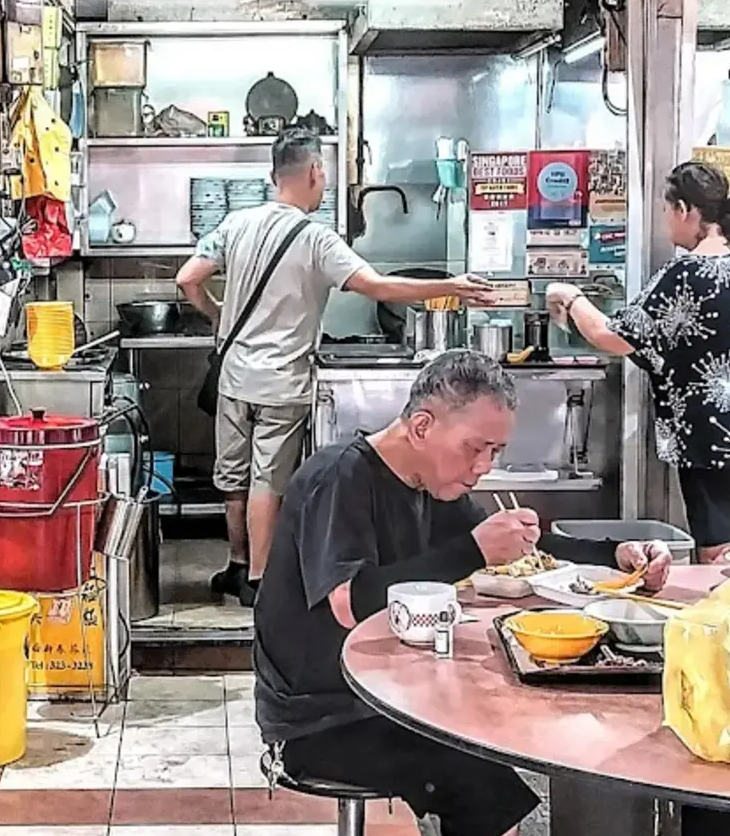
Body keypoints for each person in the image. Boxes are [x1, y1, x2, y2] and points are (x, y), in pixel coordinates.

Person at [253, 350, 671, 836]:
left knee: (497, 770)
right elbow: (349, 603)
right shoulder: (341, 478)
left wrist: (616, 555)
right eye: (474, 448)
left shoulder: (434, 485)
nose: (483, 467)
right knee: (486, 800)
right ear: (422, 425)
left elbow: (525, 548)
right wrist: (474, 550)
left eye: (495, 451)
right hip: (321, 721)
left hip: (388, 696)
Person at [177, 128, 494, 606]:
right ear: (313, 171)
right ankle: (259, 583)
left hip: (233, 376)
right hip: (281, 383)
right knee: (268, 480)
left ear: (272, 175)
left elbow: (188, 279)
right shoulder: (315, 238)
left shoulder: (236, 223)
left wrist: (218, 315)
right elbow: (377, 287)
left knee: (233, 475)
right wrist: (450, 285)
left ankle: (236, 565)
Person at [547, 161, 730, 564]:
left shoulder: (684, 274)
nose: (667, 223)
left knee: (717, 549)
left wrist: (570, 295)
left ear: (686, 210)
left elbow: (611, 336)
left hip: (711, 435)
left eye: (667, 211)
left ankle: (720, 619)